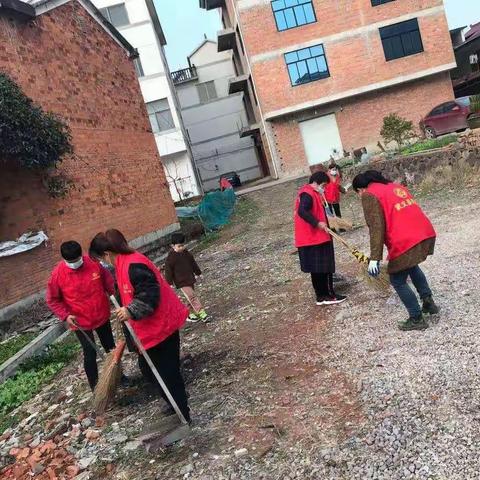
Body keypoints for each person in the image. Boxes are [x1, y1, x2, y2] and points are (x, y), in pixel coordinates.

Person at [93, 229, 191, 422]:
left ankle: (183, 413)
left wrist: (130, 310)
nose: (103, 263)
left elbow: (148, 295)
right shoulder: (123, 263)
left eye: (101, 259)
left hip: (161, 326)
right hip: (152, 328)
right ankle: (175, 404)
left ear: (107, 253)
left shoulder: (133, 264)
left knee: (167, 372)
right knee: (150, 369)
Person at [352, 170, 439, 331]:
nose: (359, 196)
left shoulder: (369, 195)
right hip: (423, 232)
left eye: (358, 192)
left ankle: (416, 318)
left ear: (361, 188)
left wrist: (374, 258)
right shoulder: (393, 186)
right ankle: (429, 304)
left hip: (404, 240)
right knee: (411, 266)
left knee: (397, 280)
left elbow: (376, 228)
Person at [46, 240, 116, 391]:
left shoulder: (93, 263)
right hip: (79, 321)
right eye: (70, 262)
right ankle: (96, 388)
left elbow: (108, 281)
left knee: (110, 348)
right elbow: (52, 299)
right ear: (64, 259)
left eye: (77, 260)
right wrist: (65, 316)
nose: (74, 264)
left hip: (100, 313)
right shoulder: (57, 274)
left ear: (81, 255)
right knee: (90, 353)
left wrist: (115, 295)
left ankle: (118, 377)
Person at [294, 171, 347, 306]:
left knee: (317, 269)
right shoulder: (308, 193)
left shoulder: (313, 193)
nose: (324, 188)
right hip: (315, 237)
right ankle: (328, 295)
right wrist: (317, 223)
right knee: (324, 267)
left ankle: (322, 296)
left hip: (312, 238)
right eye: (323, 185)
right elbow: (302, 211)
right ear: (316, 182)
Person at [164, 232, 208, 323]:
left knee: (190, 297)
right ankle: (202, 313)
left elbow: (193, 263)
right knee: (192, 297)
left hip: (190, 278)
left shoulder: (186, 253)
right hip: (181, 282)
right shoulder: (170, 258)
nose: (182, 248)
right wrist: (169, 283)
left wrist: (198, 273)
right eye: (179, 246)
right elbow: (168, 271)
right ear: (173, 246)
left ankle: (190, 314)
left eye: (183, 245)